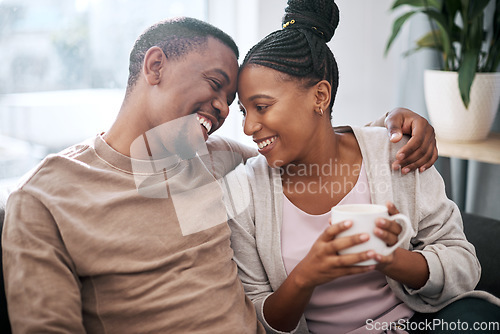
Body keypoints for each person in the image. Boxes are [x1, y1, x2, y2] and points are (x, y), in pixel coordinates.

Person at [2, 17, 437, 333]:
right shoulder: (45, 199)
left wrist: (389, 125)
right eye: (215, 84)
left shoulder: (211, 159)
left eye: (234, 101)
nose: (228, 112)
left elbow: (300, 144)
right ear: (155, 66)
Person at [229, 1, 500, 333]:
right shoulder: (245, 190)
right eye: (244, 111)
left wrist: (393, 260)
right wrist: (307, 275)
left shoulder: (397, 152)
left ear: (320, 96)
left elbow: (464, 266)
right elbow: (258, 318)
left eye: (261, 106)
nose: (248, 127)